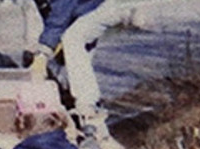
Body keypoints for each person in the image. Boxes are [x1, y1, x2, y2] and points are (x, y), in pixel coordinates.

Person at [30, 0, 127, 131]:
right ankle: (76, 99)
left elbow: (59, 18)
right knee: (75, 51)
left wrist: (43, 53)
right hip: (84, 8)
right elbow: (53, 15)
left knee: (73, 38)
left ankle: (88, 106)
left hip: (106, 6)